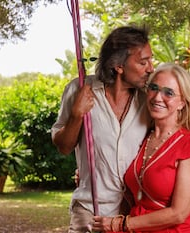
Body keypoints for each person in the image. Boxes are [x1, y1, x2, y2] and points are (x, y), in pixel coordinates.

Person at [51, 25, 154, 233]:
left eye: (151, 60)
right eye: (143, 62)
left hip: (132, 214)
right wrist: (77, 115)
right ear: (118, 66)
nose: (151, 68)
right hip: (88, 210)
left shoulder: (149, 101)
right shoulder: (79, 90)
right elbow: (63, 146)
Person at [91, 63, 190, 232]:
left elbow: (178, 214)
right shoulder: (142, 137)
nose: (157, 98)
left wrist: (120, 224)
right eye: (153, 88)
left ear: (182, 103)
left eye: (168, 93)